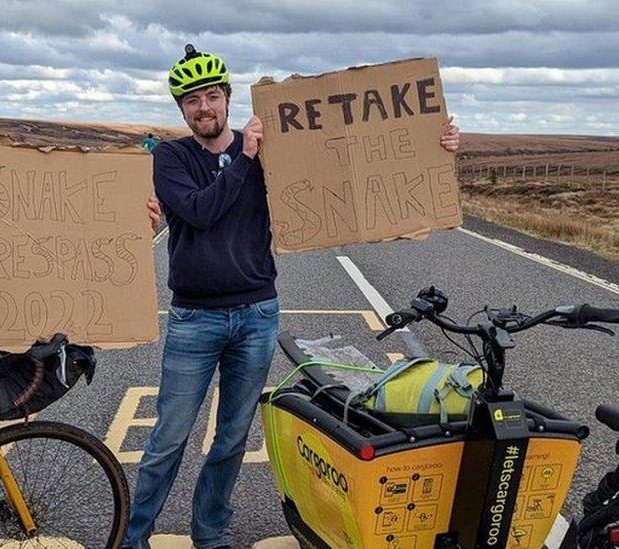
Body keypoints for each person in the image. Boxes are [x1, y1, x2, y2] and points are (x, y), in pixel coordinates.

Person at [123, 44, 460, 549]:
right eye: (192, 100)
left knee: (233, 437)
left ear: (228, 98)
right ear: (181, 109)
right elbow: (198, 212)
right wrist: (244, 158)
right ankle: (133, 536)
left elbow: (345, 169)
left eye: (212, 96)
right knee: (168, 439)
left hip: (257, 312)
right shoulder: (172, 158)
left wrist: (433, 145)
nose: (204, 108)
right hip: (195, 318)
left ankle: (211, 531)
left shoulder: (265, 152)